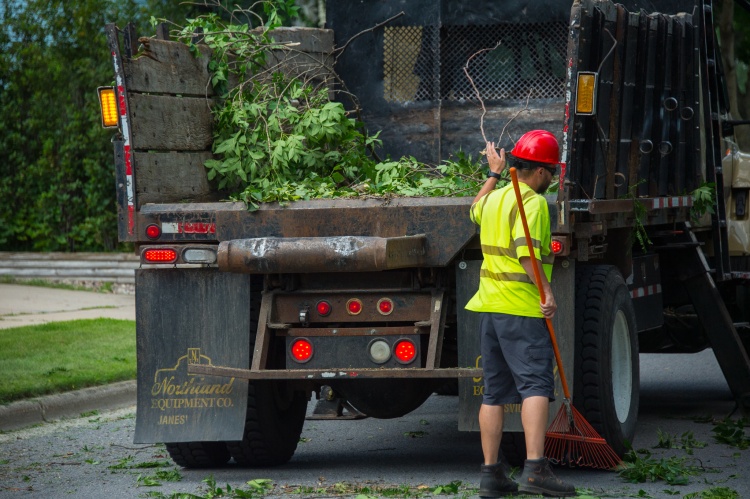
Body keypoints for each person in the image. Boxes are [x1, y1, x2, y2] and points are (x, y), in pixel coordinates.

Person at [466, 130, 576, 498]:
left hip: (490, 306)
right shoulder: (533, 204)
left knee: (494, 394)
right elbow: (525, 253)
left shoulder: (496, 198)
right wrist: (547, 291)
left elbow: (473, 209)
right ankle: (535, 470)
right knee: (536, 387)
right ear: (542, 172)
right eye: (551, 172)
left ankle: (490, 475)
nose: (552, 179)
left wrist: (493, 173)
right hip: (521, 308)